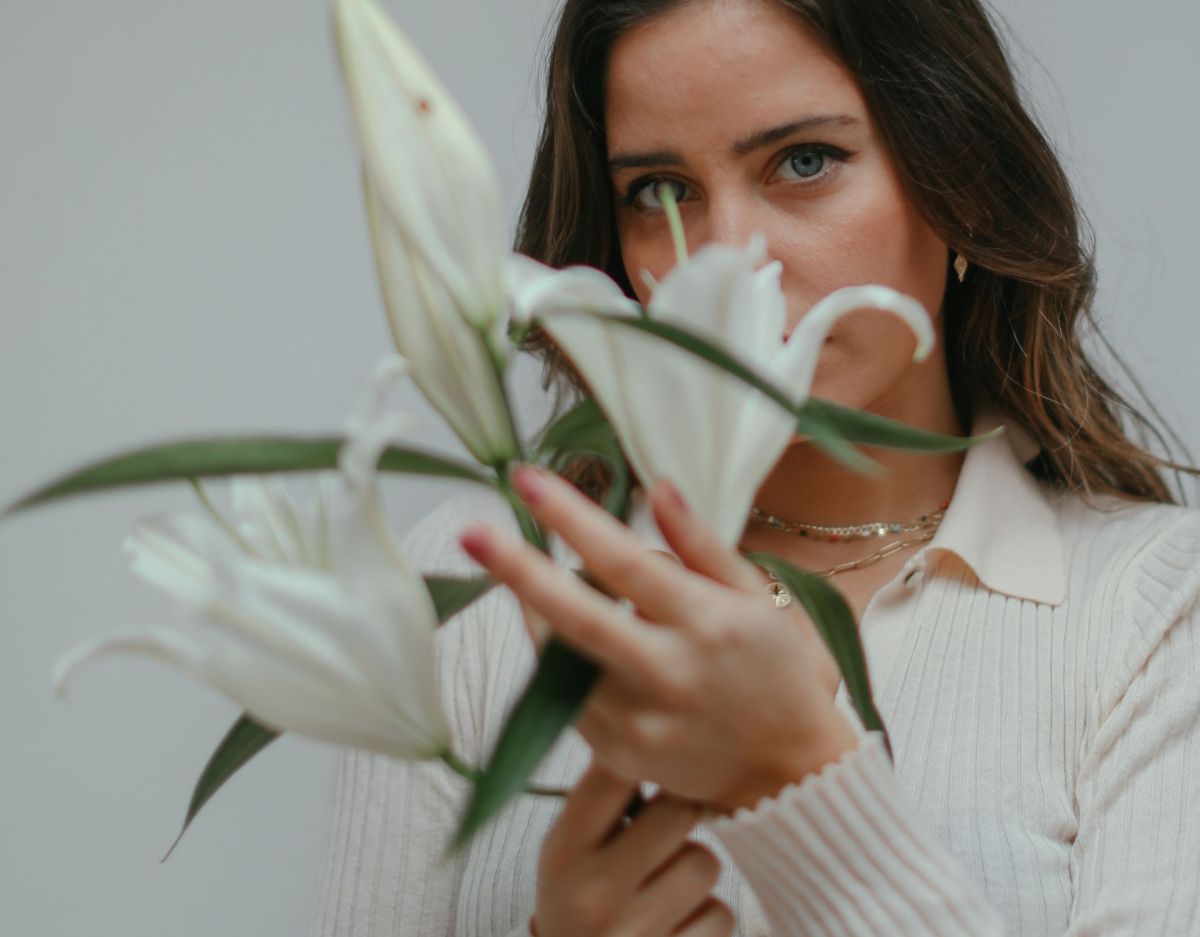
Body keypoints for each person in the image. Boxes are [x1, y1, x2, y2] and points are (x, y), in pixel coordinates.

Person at [308, 1, 1200, 934]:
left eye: (804, 161)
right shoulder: (478, 580)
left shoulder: (1154, 612)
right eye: (658, 190)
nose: (729, 261)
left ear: (961, 180)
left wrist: (796, 778)